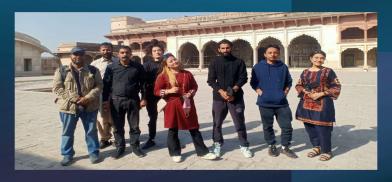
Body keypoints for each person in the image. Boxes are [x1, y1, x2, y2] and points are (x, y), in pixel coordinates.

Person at [154, 53, 217, 162]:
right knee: (173, 129)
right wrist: (169, 91)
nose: (174, 62)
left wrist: (191, 93)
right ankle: (175, 152)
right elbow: (156, 91)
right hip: (172, 106)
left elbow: (194, 86)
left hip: (187, 105)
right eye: (171, 61)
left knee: (194, 128)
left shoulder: (187, 73)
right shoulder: (163, 76)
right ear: (167, 65)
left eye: (174, 59)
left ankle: (202, 152)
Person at [52, 47, 102, 166]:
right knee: (67, 132)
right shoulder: (62, 71)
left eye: (80, 54)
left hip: (89, 106)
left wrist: (87, 98)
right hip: (69, 107)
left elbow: (99, 86)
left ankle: (93, 152)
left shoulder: (93, 70)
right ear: (71, 56)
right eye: (75, 54)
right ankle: (67, 154)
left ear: (84, 56)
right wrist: (74, 98)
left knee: (91, 131)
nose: (77, 57)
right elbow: (57, 88)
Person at [207, 39, 253, 158]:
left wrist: (233, 91)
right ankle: (217, 144)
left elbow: (243, 78)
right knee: (217, 123)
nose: (225, 50)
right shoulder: (214, 62)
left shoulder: (238, 61)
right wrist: (221, 92)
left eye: (227, 48)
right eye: (222, 48)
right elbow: (211, 80)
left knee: (239, 122)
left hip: (236, 97)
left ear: (231, 48)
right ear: (219, 49)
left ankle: (244, 145)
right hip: (219, 97)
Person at [250, 44, 298, 158]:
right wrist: (259, 91)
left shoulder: (283, 66)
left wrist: (284, 93)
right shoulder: (258, 67)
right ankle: (271, 145)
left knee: (287, 126)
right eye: (270, 52)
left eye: (275, 52)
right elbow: (253, 82)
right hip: (265, 103)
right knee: (268, 126)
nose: (273, 54)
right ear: (265, 54)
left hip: (281, 103)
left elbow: (289, 81)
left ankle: (285, 147)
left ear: (279, 53)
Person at [295, 50, 341, 161]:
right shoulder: (305, 72)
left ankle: (327, 150)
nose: (318, 60)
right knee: (309, 127)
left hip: (323, 103)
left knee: (323, 127)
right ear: (311, 59)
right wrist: (306, 92)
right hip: (306, 103)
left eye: (321, 58)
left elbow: (336, 86)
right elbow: (298, 85)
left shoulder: (328, 71)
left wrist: (321, 93)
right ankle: (316, 147)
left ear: (324, 59)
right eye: (316, 57)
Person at [102, 46, 147, 159]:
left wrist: (144, 98)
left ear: (131, 54)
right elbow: (106, 85)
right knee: (117, 126)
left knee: (134, 126)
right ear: (118, 54)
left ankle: (135, 146)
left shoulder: (137, 67)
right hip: (116, 101)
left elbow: (143, 84)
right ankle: (120, 147)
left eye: (127, 52)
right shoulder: (111, 67)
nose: (124, 55)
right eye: (122, 53)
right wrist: (105, 101)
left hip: (133, 100)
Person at [90, 42, 117, 149]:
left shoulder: (118, 61)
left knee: (116, 116)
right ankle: (104, 138)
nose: (106, 52)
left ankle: (116, 138)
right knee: (101, 118)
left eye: (108, 49)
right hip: (100, 94)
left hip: (115, 93)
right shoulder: (95, 64)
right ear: (100, 51)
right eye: (103, 50)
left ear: (112, 50)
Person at [141, 39, 164, 150]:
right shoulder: (146, 66)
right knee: (153, 117)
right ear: (151, 53)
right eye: (155, 50)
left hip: (166, 95)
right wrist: (143, 97)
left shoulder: (167, 63)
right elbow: (143, 83)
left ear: (162, 51)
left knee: (171, 116)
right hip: (151, 95)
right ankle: (151, 138)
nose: (157, 52)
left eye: (159, 50)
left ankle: (173, 138)